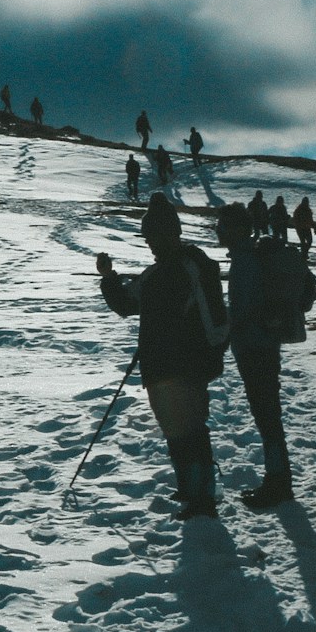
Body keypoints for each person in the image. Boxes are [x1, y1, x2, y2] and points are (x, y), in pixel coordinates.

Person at [98, 197, 231, 519]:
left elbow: (127, 303)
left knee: (186, 430)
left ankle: (200, 497)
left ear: (169, 233)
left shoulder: (171, 271)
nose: (150, 244)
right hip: (182, 364)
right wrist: (111, 277)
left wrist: (109, 277)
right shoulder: (190, 265)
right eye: (147, 238)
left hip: (174, 364)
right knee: (183, 428)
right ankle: (193, 489)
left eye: (153, 237)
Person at [216, 203, 310, 507]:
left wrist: (222, 332)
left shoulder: (246, 260)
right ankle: (278, 478)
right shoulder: (252, 256)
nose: (219, 231)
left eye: (225, 225)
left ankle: (278, 481)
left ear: (240, 229)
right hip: (265, 344)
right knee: (269, 415)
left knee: (267, 416)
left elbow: (244, 310)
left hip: (254, 347)